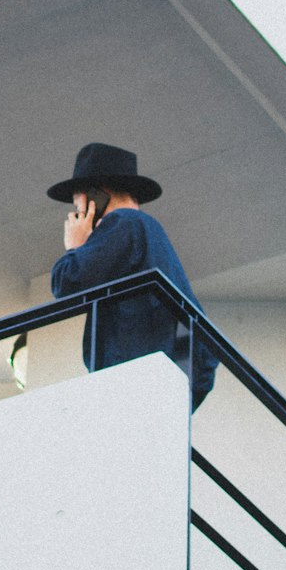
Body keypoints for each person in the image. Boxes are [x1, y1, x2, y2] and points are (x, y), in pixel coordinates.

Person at [49, 143, 217, 408]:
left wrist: (75, 248)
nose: (76, 213)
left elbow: (67, 282)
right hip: (156, 384)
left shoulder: (123, 223)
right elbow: (205, 355)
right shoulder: (149, 233)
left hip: (130, 381)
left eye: (77, 202)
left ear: (95, 195)